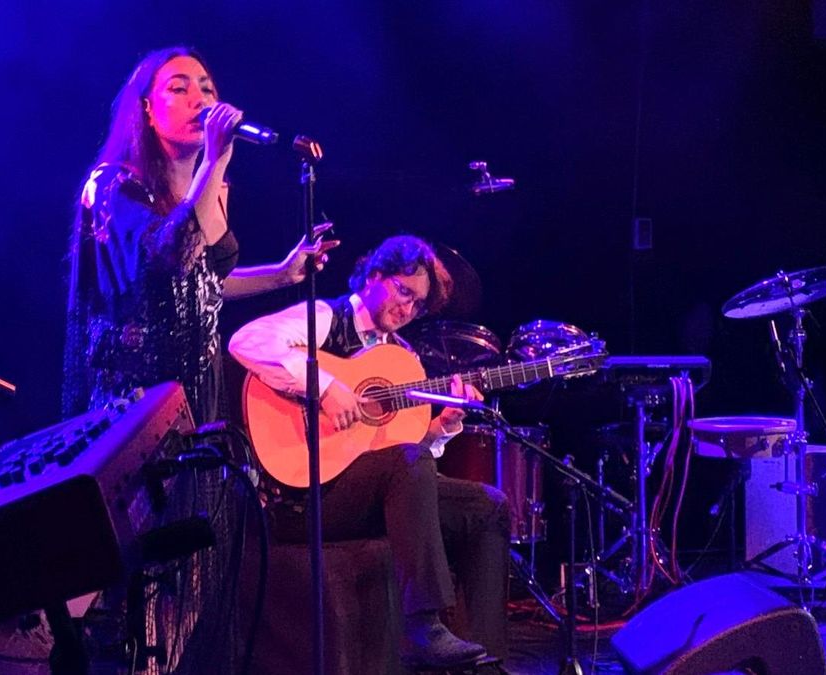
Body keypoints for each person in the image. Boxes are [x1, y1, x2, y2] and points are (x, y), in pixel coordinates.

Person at [229, 234, 509, 668]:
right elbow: (245, 341)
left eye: (417, 305)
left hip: (362, 493)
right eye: (403, 291)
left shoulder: (403, 360)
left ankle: (486, 660)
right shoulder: (326, 318)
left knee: (487, 505)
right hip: (302, 498)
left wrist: (440, 430)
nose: (407, 309)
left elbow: (403, 456)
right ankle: (422, 628)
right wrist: (324, 387)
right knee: (409, 464)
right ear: (375, 275)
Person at [62, 45, 337, 423]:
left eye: (207, 89)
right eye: (179, 89)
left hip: (199, 387)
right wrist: (215, 159)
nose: (199, 100)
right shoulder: (114, 184)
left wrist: (282, 274)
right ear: (147, 110)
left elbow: (202, 285)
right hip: (137, 399)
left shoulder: (211, 188)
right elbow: (173, 258)